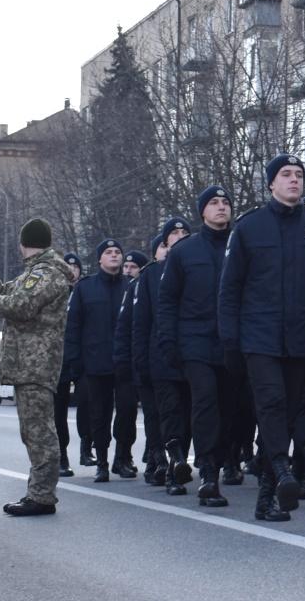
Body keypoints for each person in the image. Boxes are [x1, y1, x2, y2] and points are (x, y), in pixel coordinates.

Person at [220, 154, 305, 520]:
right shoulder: (250, 227)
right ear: (271, 183)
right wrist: (231, 342)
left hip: (301, 337)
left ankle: (266, 496)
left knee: (285, 414)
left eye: (299, 175)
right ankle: (284, 470)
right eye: (285, 175)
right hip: (260, 337)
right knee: (270, 404)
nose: (294, 180)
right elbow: (230, 290)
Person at [0, 219, 78, 515]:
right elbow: (7, 292)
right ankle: (39, 493)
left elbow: (19, 307)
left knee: (39, 432)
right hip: (29, 364)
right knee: (33, 431)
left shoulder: (45, 272)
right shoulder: (37, 272)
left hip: (36, 364)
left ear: (23, 244)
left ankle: (42, 496)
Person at [159, 186, 237, 507]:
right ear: (202, 211)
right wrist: (169, 341)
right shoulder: (184, 252)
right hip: (195, 343)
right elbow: (167, 301)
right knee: (205, 401)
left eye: (225, 202)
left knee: (230, 411)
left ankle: (217, 462)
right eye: (214, 203)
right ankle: (207, 473)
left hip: (232, 343)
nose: (221, 208)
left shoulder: (240, 245)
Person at [64, 239, 127, 480]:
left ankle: (122, 457)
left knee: (127, 410)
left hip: (124, 364)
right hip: (94, 363)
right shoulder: (85, 288)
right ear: (100, 259)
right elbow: (73, 328)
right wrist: (76, 363)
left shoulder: (131, 286)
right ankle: (102, 460)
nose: (114, 255)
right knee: (98, 414)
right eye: (108, 252)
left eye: (117, 252)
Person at [141, 217, 194, 495]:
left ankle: (180, 461)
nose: (180, 235)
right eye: (174, 233)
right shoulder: (151, 274)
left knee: (188, 414)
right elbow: (141, 323)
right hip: (161, 355)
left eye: (185, 231)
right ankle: (173, 466)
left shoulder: (196, 265)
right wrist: (139, 365)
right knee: (170, 412)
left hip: (192, 353)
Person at [111, 249, 149, 479]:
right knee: (125, 411)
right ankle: (121, 456)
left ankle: (152, 455)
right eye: (125, 267)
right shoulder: (122, 291)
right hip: (126, 360)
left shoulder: (147, 287)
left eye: (133, 268)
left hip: (145, 360)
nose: (128, 271)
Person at [54, 252, 83, 475]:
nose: (72, 269)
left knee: (90, 407)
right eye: (68, 265)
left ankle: (89, 448)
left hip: (82, 359)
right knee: (58, 413)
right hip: (59, 361)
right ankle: (61, 456)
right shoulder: (54, 293)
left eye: (76, 266)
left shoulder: (85, 291)